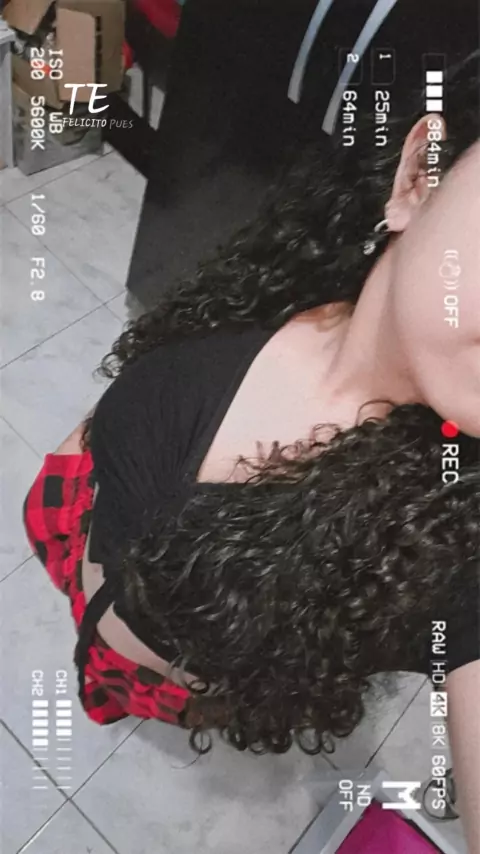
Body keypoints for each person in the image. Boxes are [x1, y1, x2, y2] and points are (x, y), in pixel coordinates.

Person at [24, 51, 479, 850]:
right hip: (77, 511)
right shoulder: (292, 274)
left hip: (147, 672)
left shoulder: (456, 535)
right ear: (419, 177)